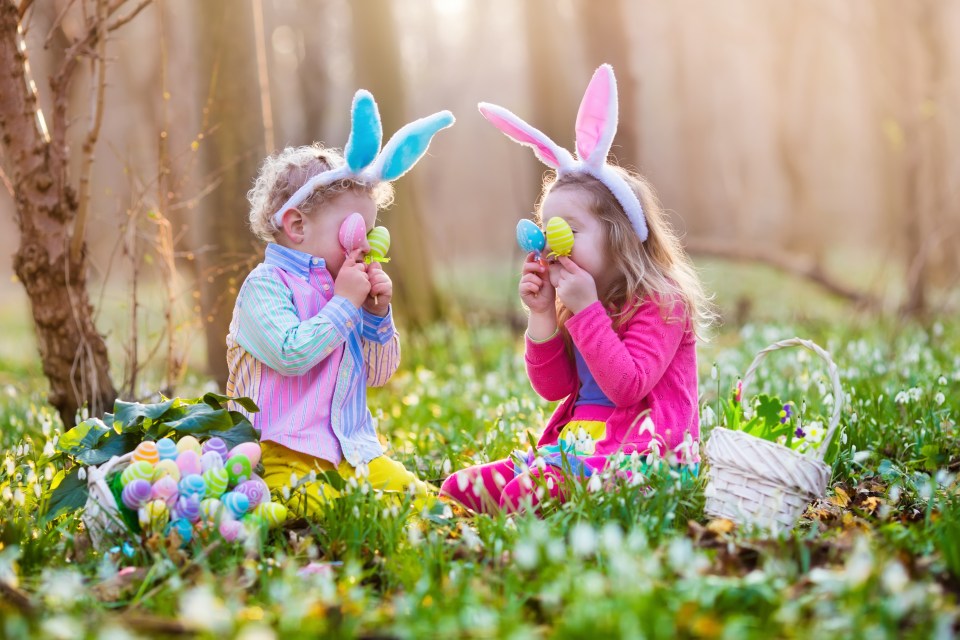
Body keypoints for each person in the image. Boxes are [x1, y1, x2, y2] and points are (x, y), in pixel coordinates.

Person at [440, 64, 713, 514]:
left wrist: (586, 311)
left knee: (519, 498)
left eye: (568, 231)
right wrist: (543, 315)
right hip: (575, 447)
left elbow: (628, 387)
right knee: (459, 488)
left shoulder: (663, 301)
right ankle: (541, 490)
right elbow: (555, 388)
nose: (551, 245)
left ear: (619, 234)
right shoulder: (579, 298)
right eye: (547, 232)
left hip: (643, 457)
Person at [226, 90, 454, 517]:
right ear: (296, 225)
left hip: (354, 452)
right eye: (354, 229)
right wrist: (346, 303)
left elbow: (379, 374)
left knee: (424, 503)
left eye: (370, 230)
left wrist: (375, 314)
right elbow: (292, 354)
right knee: (334, 510)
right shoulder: (265, 287)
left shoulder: (342, 288)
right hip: (282, 454)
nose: (366, 244)